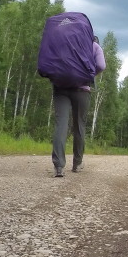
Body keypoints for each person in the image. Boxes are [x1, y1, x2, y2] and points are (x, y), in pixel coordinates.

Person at [51, 35, 106, 177]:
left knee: (61, 125)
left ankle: (59, 166)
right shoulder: (94, 46)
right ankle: (77, 163)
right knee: (79, 126)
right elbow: (101, 65)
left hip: (60, 88)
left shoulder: (66, 42)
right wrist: (90, 74)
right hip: (82, 89)